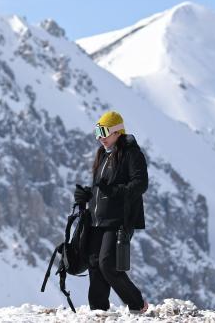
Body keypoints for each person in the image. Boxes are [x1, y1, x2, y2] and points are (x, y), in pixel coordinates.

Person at [73, 111, 150, 314]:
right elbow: (101, 188)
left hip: (119, 219)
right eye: (97, 132)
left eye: (104, 131)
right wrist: (86, 195)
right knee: (94, 263)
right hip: (97, 219)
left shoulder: (131, 153)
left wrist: (115, 192)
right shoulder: (103, 155)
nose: (100, 137)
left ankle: (137, 304)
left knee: (108, 264)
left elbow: (140, 184)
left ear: (117, 131)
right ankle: (98, 311)